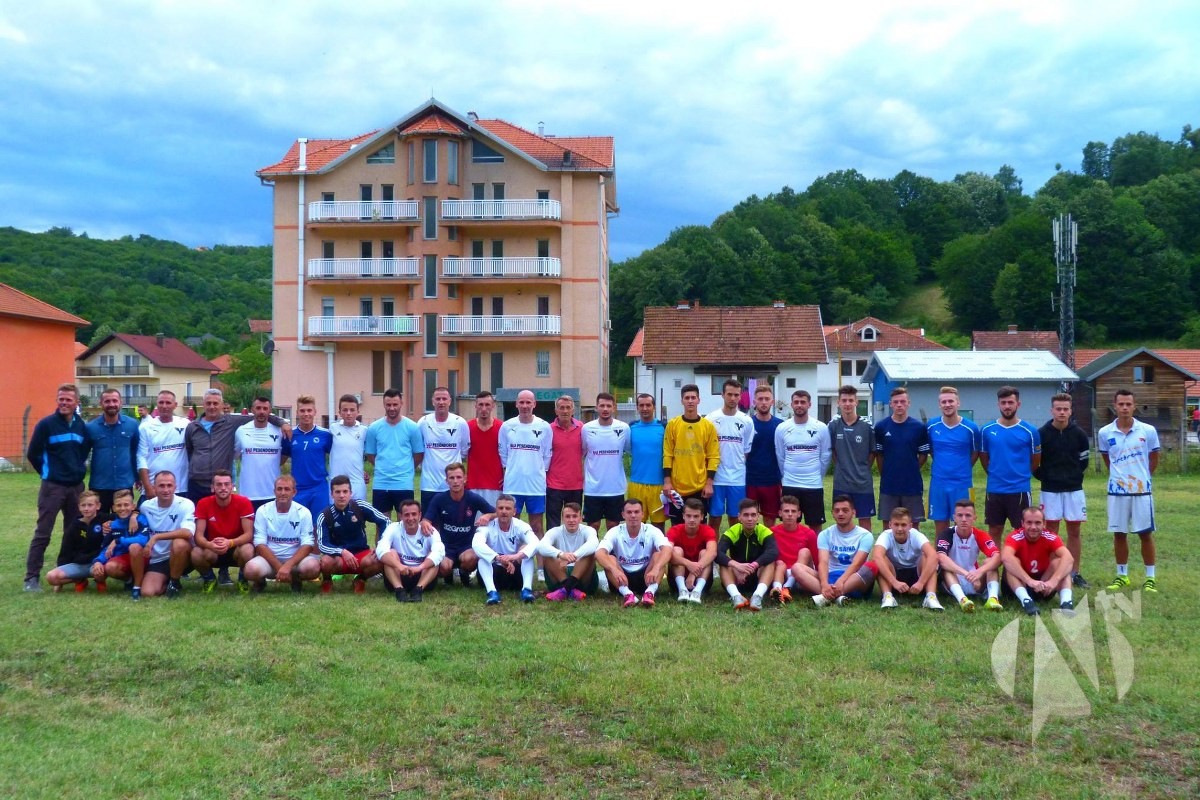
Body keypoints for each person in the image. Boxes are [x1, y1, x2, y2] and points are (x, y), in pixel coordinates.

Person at [24, 383, 90, 592]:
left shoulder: (81, 426)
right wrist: (48, 473)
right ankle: (31, 578)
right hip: (52, 487)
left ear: (76, 402)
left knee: (73, 532)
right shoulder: (46, 425)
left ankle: (66, 573)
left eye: (68, 399)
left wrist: (76, 470)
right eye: (61, 399)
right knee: (43, 532)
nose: (64, 403)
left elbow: (83, 452)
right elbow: (33, 454)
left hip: (76, 488)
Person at [1098, 389, 1161, 593]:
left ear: (1134, 406)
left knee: (1145, 534)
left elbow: (1154, 458)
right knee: (1119, 533)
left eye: (1128, 404)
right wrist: (1120, 478)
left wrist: (1142, 478)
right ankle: (1122, 575)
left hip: (1142, 492)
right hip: (1117, 492)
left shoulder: (1148, 431)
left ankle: (1150, 578)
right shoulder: (1105, 432)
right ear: (1115, 406)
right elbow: (1108, 460)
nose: (1124, 408)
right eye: (1121, 404)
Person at [185, 387, 291, 503]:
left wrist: (283, 423)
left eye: (215, 403)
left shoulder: (231, 422)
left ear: (222, 405)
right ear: (203, 404)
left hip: (222, 484)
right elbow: (189, 452)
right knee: (197, 514)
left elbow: (260, 415)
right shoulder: (192, 427)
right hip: (197, 483)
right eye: (208, 403)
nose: (212, 406)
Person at [1036, 392, 1091, 589]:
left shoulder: (1079, 434)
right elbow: (1035, 463)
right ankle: (1052, 571)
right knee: (1051, 531)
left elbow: (1084, 462)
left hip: (1074, 490)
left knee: (1074, 531)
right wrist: (1047, 477)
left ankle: (1074, 573)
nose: (1062, 412)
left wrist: (1072, 476)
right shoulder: (1042, 434)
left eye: (1065, 409)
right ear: (1051, 410)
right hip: (1050, 490)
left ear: (1070, 411)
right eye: (1058, 409)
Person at [980, 386, 1041, 542]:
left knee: (1022, 531)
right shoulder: (987, 430)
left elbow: (1035, 460)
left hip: (1019, 490)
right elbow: (984, 458)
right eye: (1003, 403)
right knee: (994, 529)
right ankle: (994, 559)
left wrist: (1021, 474)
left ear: (1018, 404)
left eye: (1010, 402)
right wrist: (995, 474)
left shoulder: (1030, 431)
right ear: (998, 405)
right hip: (994, 489)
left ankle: (1018, 559)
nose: (1007, 406)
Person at [421, 462, 495, 587]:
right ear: (447, 481)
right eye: (452, 478)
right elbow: (426, 519)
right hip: (446, 546)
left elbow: (497, 512)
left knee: (472, 558)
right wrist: (425, 523)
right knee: (443, 566)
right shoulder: (439, 499)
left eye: (459, 477)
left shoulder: (473, 498)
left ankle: (464, 573)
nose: (455, 481)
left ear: (465, 479)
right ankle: (448, 575)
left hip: (466, 546)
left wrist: (488, 515)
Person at [316, 474, 392, 593]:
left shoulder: (359, 506)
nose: (342, 495)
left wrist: (381, 546)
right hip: (338, 558)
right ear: (332, 494)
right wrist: (342, 552)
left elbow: (385, 521)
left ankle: (360, 579)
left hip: (361, 555)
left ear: (350, 493)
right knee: (326, 561)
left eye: (345, 491)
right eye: (337, 492)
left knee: (380, 559)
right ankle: (327, 580)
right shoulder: (324, 515)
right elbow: (322, 545)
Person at [245, 474, 320, 593]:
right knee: (250, 570)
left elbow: (308, 544)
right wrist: (279, 567)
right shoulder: (263, 510)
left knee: (313, 568)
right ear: (274, 491)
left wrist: (288, 566)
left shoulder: (304, 512)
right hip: (270, 562)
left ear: (294, 492)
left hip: (295, 562)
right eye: (279, 489)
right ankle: (260, 582)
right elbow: (259, 544)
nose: (283, 493)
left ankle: (295, 579)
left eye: (287, 489)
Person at [595, 498, 673, 608]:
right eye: (629, 512)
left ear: (642, 514)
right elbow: (599, 553)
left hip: (646, 576)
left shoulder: (651, 530)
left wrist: (656, 568)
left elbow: (667, 549)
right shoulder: (615, 531)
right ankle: (627, 594)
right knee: (610, 559)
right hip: (622, 578)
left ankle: (649, 593)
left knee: (659, 556)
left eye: (636, 512)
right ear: (623, 515)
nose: (633, 515)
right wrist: (614, 570)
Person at [927, 386, 982, 536]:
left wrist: (962, 468)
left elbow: (975, 452)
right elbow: (931, 450)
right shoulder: (931, 426)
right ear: (939, 405)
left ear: (958, 403)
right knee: (941, 527)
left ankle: (964, 551)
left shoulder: (971, 428)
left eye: (951, 401)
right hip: (938, 483)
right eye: (944, 402)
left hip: (963, 483)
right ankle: (941, 551)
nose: (947, 404)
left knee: (964, 525)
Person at [662, 384, 720, 526]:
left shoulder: (708, 426)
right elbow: (668, 454)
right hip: (676, 488)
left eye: (693, 397)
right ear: (681, 400)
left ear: (699, 400)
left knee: (698, 527)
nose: (690, 401)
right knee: (677, 526)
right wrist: (667, 482)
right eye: (687, 398)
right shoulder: (673, 424)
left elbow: (713, 456)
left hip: (699, 488)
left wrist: (709, 484)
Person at [134, 471, 197, 599]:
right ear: (154, 488)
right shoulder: (146, 507)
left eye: (169, 485)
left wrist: (156, 537)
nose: (166, 490)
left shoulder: (185, 504)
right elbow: (135, 517)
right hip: (158, 559)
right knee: (147, 593)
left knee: (179, 543)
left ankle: (174, 583)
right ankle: (165, 581)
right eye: (161, 486)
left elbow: (188, 532)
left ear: (175, 487)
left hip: (182, 556)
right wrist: (132, 516)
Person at [498, 390, 553, 537]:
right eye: (521, 402)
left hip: (535, 486)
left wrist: (539, 473)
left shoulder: (544, 426)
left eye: (528, 402)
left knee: (536, 526)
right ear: (516, 404)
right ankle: (512, 553)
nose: (525, 406)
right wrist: (509, 472)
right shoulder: (507, 426)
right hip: (513, 484)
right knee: (511, 525)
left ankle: (539, 553)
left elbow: (547, 455)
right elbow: (503, 454)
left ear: (534, 404)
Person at [773, 389, 831, 529]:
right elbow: (780, 456)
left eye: (803, 402)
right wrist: (786, 475)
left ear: (809, 404)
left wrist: (817, 476)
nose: (799, 405)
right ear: (792, 404)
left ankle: (814, 546)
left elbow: (825, 456)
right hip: (790, 484)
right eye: (796, 402)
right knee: (790, 525)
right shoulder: (782, 428)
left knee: (815, 525)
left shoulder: (821, 427)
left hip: (813, 485)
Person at [1001, 506, 1074, 615]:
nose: (1033, 527)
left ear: (1044, 524)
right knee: (1010, 564)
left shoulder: (1050, 536)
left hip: (1044, 586)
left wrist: (1053, 581)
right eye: (1029, 522)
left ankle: (1066, 603)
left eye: (1038, 523)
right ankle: (1026, 601)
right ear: (1022, 523)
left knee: (1060, 563)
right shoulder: (1015, 536)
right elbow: (1005, 557)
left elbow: (1069, 558)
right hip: (1020, 585)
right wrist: (1029, 581)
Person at [191, 470, 256, 593]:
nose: (223, 488)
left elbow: (248, 534)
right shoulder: (203, 503)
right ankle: (209, 579)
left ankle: (243, 579)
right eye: (219, 484)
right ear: (212, 487)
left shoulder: (244, 502)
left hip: (236, 547)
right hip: (214, 548)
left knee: (248, 550)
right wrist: (209, 544)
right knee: (196, 553)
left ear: (232, 486)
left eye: (227, 484)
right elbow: (198, 536)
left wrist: (230, 542)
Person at [873, 387, 930, 526]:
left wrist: (912, 469)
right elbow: (879, 455)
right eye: (896, 402)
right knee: (888, 526)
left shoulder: (918, 427)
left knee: (913, 526)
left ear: (908, 403)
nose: (899, 405)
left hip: (912, 486)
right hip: (889, 486)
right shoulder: (881, 427)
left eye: (903, 401)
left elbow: (923, 455)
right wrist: (886, 473)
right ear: (890, 404)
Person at [365, 388, 425, 519]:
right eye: (388, 405)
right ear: (384, 404)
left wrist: (406, 468)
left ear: (401, 404)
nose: (392, 408)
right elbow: (370, 455)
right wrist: (383, 467)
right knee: (382, 524)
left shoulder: (412, 427)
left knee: (404, 523)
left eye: (395, 404)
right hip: (381, 484)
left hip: (404, 484)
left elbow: (419, 454)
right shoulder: (374, 428)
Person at [936, 500, 1003, 612]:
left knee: (990, 562)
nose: (963, 519)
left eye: (968, 515)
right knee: (946, 568)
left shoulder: (980, 534)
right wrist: (966, 574)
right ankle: (962, 600)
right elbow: (941, 558)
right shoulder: (946, 534)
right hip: (954, 578)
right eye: (960, 515)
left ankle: (993, 599)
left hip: (975, 579)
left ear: (974, 518)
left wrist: (979, 572)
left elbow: (997, 556)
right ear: (954, 518)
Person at [706, 378, 755, 529]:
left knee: (736, 518)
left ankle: (735, 546)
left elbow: (746, 451)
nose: (733, 398)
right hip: (716, 478)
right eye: (729, 394)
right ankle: (713, 546)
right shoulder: (710, 419)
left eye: (736, 395)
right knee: (714, 518)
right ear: (722, 395)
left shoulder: (746, 421)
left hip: (737, 479)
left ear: (740, 396)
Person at [472, 494, 539, 605]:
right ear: (496, 510)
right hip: (494, 572)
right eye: (500, 508)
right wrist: (498, 558)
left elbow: (535, 543)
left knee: (527, 553)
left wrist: (515, 556)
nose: (504, 511)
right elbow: (476, 544)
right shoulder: (486, 526)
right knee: (482, 559)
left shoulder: (521, 525)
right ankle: (492, 593)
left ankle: (526, 590)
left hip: (514, 572)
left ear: (514, 511)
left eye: (508, 508)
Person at [812, 495, 877, 607]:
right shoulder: (825, 534)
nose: (840, 513)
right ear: (832, 513)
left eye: (845, 510)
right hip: (831, 576)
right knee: (798, 568)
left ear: (853, 512)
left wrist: (841, 581)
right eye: (837, 511)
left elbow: (857, 563)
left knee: (872, 566)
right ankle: (836, 596)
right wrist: (824, 584)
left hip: (855, 579)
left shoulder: (865, 535)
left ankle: (827, 596)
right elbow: (823, 562)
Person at [873, 507, 942, 611]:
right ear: (890, 525)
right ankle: (887, 597)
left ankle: (931, 597)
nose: (900, 529)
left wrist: (921, 583)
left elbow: (933, 556)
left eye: (903, 525)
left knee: (928, 557)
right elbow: (877, 557)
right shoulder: (885, 535)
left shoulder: (916, 535)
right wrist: (894, 582)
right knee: (880, 559)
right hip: (894, 576)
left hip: (917, 576)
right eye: (896, 524)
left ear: (910, 526)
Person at [376, 499, 444, 602]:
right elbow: (381, 549)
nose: (410, 518)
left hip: (422, 575)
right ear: (401, 516)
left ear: (420, 515)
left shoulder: (430, 530)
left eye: (414, 514)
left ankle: (418, 590)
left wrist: (419, 568)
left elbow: (440, 551)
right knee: (390, 553)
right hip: (399, 574)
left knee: (434, 557)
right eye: (406, 515)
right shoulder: (393, 528)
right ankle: (399, 590)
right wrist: (400, 566)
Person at [716, 498, 778, 611]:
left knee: (770, 562)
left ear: (758, 516)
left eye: (753, 515)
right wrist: (736, 566)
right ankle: (736, 596)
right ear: (739, 517)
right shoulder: (732, 531)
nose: (750, 519)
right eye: (746, 515)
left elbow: (773, 552)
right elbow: (718, 553)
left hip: (758, 577)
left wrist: (753, 566)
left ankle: (757, 596)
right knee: (724, 563)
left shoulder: (764, 531)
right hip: (737, 578)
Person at [581, 392, 631, 534]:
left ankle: (611, 550)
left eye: (608, 406)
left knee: (613, 526)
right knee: (593, 527)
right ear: (596, 407)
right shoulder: (587, 428)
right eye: (602, 405)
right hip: (593, 488)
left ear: (614, 408)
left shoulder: (624, 428)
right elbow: (583, 452)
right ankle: (592, 550)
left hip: (615, 487)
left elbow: (627, 449)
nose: (605, 409)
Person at [828, 384, 875, 531]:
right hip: (841, 483)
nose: (847, 404)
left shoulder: (867, 426)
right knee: (841, 518)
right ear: (839, 403)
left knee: (864, 520)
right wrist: (842, 467)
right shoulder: (833, 426)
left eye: (850, 400)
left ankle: (865, 547)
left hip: (862, 483)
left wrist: (861, 469)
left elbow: (872, 453)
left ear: (856, 402)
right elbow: (832, 451)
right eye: (844, 400)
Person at [84, 388, 139, 513]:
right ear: (101, 403)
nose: (111, 404)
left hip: (124, 485)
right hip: (99, 485)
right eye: (107, 401)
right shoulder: (90, 427)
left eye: (115, 400)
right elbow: (83, 454)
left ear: (121, 402)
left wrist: (137, 477)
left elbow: (135, 452)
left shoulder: (132, 425)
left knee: (122, 521)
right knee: (98, 522)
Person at [417, 386, 471, 512]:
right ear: (433, 401)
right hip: (429, 485)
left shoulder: (460, 422)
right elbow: (418, 450)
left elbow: (464, 450)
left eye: (444, 399)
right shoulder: (423, 422)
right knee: (428, 521)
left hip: (453, 485)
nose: (441, 402)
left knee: (454, 520)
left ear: (450, 401)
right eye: (438, 399)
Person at [46, 491, 110, 592]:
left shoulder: (105, 519)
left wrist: (133, 515)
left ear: (98, 506)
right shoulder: (73, 526)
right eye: (83, 505)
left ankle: (100, 581)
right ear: (79, 507)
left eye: (90, 505)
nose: (86, 508)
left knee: (105, 569)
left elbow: (123, 518)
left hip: (97, 563)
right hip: (78, 564)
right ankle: (80, 579)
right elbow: (65, 551)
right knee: (51, 577)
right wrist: (59, 583)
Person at [234, 396, 291, 509]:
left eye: (265, 408)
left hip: (273, 493)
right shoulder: (241, 431)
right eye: (258, 408)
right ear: (252, 410)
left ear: (270, 411)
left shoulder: (279, 431)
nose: (261, 411)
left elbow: (283, 457)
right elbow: (235, 455)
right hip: (248, 493)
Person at [91, 490, 150, 597]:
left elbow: (143, 540)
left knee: (134, 547)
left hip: (142, 557)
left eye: (126, 505)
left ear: (133, 506)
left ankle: (137, 587)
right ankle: (129, 580)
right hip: (124, 559)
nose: (122, 508)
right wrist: (98, 561)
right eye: (119, 505)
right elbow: (107, 548)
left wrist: (118, 540)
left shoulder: (141, 519)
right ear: (113, 508)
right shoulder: (113, 525)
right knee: (107, 568)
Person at [539, 502, 600, 601]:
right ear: (562, 518)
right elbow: (541, 546)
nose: (571, 520)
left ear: (581, 518)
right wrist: (561, 554)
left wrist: (573, 556)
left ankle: (566, 589)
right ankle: (569, 589)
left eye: (575, 516)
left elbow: (594, 544)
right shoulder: (554, 531)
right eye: (567, 516)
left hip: (584, 580)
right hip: (560, 576)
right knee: (547, 554)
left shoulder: (588, 530)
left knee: (590, 553)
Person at [138, 390, 191, 503]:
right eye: (161, 402)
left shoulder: (185, 424)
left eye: (168, 403)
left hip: (181, 487)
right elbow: (141, 458)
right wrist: (148, 487)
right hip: (154, 488)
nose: (164, 406)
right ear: (156, 405)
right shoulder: (145, 427)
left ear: (175, 405)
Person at [666, 497, 718, 603]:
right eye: (688, 516)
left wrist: (693, 573)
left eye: (696, 516)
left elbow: (712, 553)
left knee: (705, 552)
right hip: (676, 580)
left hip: (702, 579)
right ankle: (682, 590)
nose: (692, 519)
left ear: (702, 517)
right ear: (683, 516)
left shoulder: (708, 530)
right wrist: (688, 564)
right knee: (676, 550)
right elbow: (666, 553)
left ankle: (697, 591)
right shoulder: (674, 530)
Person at [768, 495, 818, 605]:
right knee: (779, 563)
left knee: (804, 552)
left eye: (793, 511)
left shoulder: (809, 533)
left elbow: (816, 560)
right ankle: (778, 590)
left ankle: (787, 587)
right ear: (780, 513)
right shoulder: (772, 532)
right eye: (786, 511)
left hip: (802, 575)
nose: (790, 514)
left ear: (799, 514)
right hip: (782, 574)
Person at [745, 385, 783, 524]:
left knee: (769, 520)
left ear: (772, 401)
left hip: (772, 481)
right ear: (754, 402)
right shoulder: (747, 424)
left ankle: (768, 541)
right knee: (749, 520)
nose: (764, 402)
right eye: (760, 399)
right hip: (750, 480)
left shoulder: (780, 426)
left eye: (767, 399)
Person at [290, 394, 333, 515]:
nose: (306, 414)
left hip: (319, 488)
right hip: (297, 489)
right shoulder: (290, 435)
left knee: (319, 523)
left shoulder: (325, 435)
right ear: (297, 413)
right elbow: (280, 460)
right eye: (302, 411)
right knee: (298, 523)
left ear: (315, 412)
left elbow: (338, 456)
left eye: (309, 410)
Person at [627, 393, 667, 526]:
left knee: (658, 526)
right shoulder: (631, 428)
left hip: (658, 485)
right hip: (636, 483)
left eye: (648, 405)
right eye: (641, 405)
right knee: (635, 524)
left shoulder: (664, 427)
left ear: (654, 407)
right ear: (637, 408)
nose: (645, 408)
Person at [545, 395, 584, 531]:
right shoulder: (548, 429)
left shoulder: (582, 428)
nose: (565, 411)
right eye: (561, 408)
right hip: (554, 484)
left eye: (568, 408)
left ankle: (572, 546)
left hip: (575, 484)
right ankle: (554, 546)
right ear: (556, 410)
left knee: (573, 523)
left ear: (573, 410)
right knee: (553, 524)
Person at [466, 391, 504, 506]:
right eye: (480, 405)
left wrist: (507, 475)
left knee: (493, 517)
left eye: (487, 405)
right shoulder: (467, 427)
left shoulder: (502, 428)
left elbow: (508, 455)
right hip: (472, 484)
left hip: (496, 485)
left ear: (493, 406)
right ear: (475, 406)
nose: (484, 408)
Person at [330, 394, 369, 501]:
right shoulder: (333, 428)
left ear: (358, 411)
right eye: (345, 410)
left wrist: (364, 472)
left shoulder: (364, 430)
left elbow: (370, 453)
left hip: (357, 483)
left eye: (352, 410)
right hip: (336, 483)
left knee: (358, 511)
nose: (348, 413)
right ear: (339, 412)